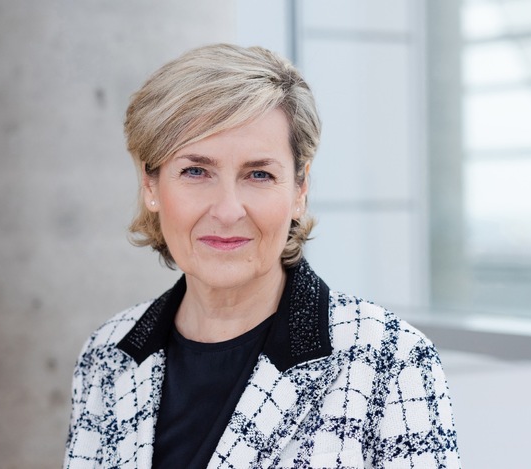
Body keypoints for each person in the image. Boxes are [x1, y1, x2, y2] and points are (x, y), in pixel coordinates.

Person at [64, 44, 461, 469]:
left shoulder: (390, 358)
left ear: (299, 190)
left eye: (258, 174)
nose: (228, 210)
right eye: (196, 171)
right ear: (150, 185)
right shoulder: (106, 355)